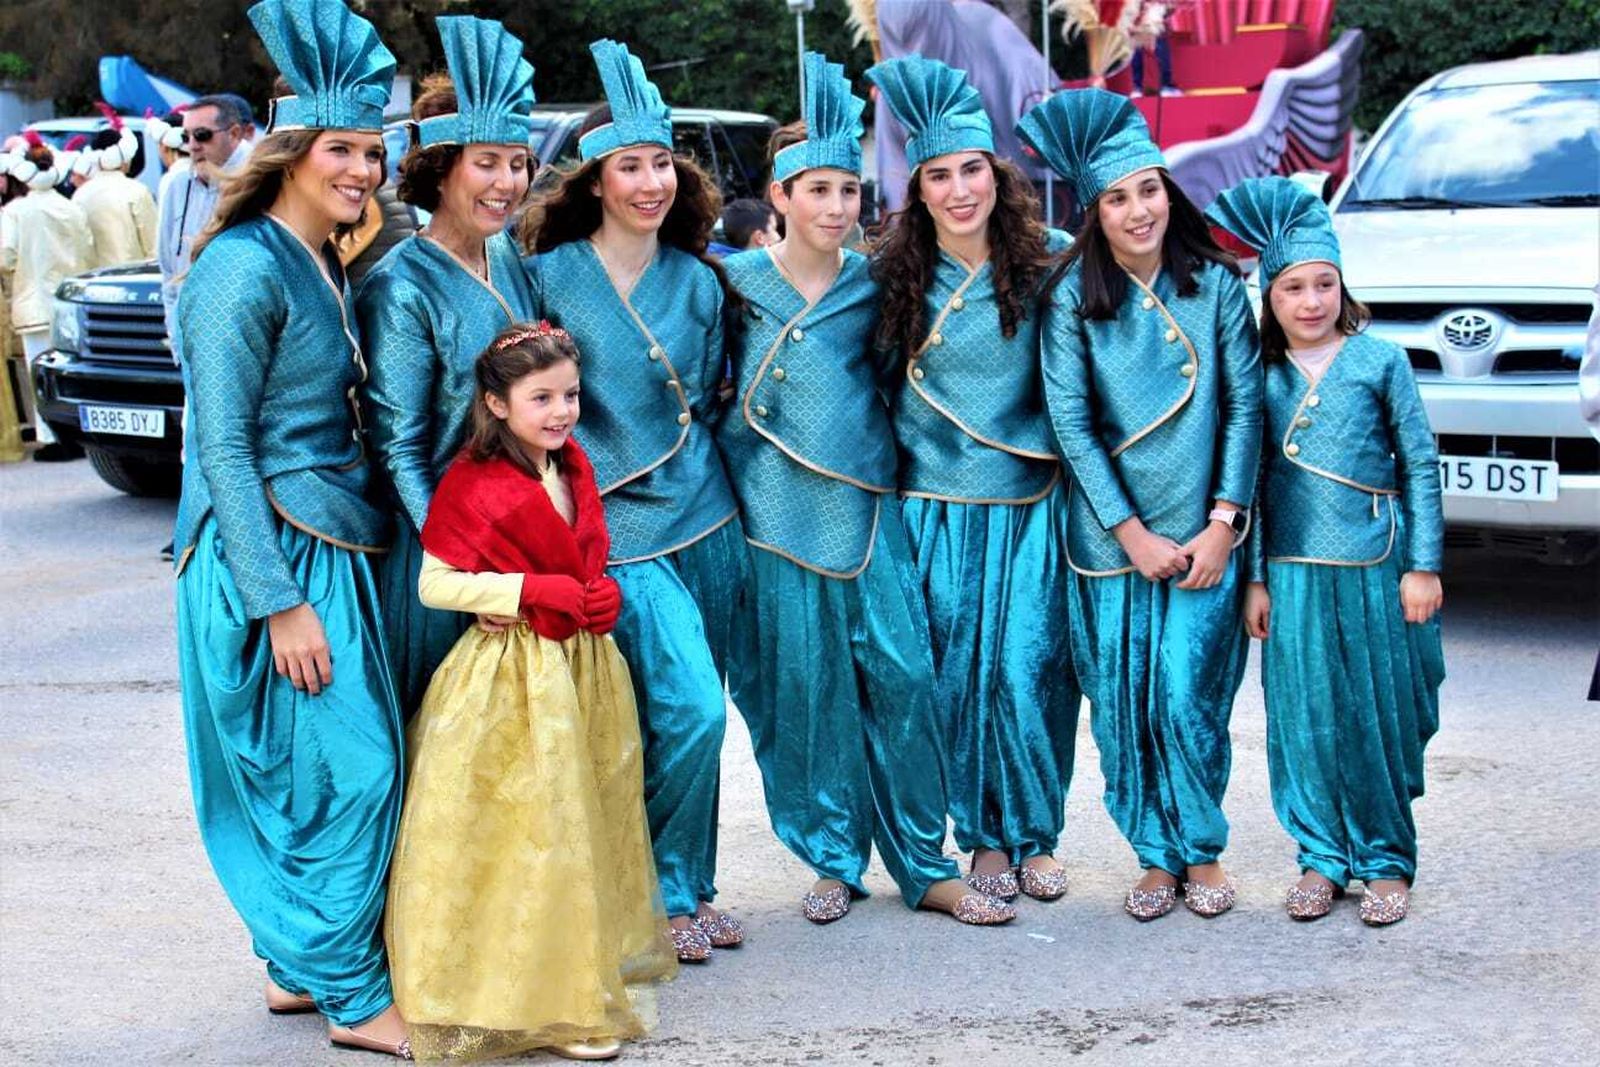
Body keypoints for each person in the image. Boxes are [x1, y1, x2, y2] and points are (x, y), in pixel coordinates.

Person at [718, 53, 1013, 928]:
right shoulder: (731, 284)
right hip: (769, 515)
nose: (836, 207)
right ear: (780, 195)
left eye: (849, 190)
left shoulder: (880, 279)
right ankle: (832, 856)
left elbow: (904, 380)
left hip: (869, 504)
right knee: (799, 692)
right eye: (817, 190)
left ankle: (924, 861)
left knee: (903, 676)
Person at [170, 0, 410, 1056]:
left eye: (372, 150)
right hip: (260, 549)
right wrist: (279, 602)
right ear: (289, 155)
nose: (361, 168)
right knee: (351, 766)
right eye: (341, 150)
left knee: (318, 761)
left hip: (331, 533)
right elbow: (219, 444)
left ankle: (294, 966)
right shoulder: (240, 265)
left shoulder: (331, 260)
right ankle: (356, 997)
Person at [386, 321, 676, 1062]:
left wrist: (595, 592)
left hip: (579, 661)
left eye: (570, 394)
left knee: (584, 819)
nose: (560, 410)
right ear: (496, 402)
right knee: (533, 831)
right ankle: (549, 1001)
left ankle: (576, 973)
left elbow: (582, 551)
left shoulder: (570, 463)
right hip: (512, 675)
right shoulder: (473, 481)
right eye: (540, 397)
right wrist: (525, 588)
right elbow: (436, 582)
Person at [519, 39, 748, 963]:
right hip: (610, 529)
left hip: (708, 519)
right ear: (596, 180)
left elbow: (722, 397)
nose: (650, 182)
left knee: (694, 712)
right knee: (678, 710)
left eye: (661, 164)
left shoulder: (702, 280)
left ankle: (683, 887)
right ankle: (643, 891)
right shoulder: (549, 273)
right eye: (629, 166)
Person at [1023, 89, 1262, 921]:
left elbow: (1241, 408)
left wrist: (1224, 525)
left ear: (1171, 191)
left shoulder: (1220, 289)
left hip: (1205, 535)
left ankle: (1200, 848)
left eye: (1149, 189)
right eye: (1117, 197)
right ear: (1094, 210)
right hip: (1109, 538)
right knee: (1123, 700)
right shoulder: (1070, 300)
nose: (1138, 210)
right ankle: (1153, 854)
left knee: (1186, 691)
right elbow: (1071, 423)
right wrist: (1128, 532)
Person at [867, 55, 1082, 904]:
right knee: (953, 680)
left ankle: (1035, 833)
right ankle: (979, 838)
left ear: (997, 175)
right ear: (917, 188)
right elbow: (868, 391)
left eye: (972, 171)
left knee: (1030, 673)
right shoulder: (890, 275)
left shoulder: (1051, 260)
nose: (960, 190)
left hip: (1030, 503)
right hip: (932, 511)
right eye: (939, 176)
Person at [1207, 177, 1445, 926]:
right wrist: (1253, 580)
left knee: (1374, 714)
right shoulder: (1262, 376)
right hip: (1291, 572)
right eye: (1292, 289)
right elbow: (1255, 482)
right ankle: (1320, 856)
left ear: (1343, 287)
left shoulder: (1382, 362)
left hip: (1376, 567)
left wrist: (1424, 564)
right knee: (1303, 718)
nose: (1310, 301)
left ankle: (1385, 858)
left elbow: (1421, 464)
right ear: (1268, 300)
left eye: (1323, 284)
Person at [357, 14, 540, 715]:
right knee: (446, 736)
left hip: (525, 533)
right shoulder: (400, 287)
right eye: (486, 163)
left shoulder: (510, 258)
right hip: (440, 552)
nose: (508, 182)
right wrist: (466, 567)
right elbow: (399, 448)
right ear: (441, 168)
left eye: (518, 162)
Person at [0, 133, 93, 459]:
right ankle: (76, 431)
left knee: (38, 372)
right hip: (66, 301)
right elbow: (87, 248)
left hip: (32, 301)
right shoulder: (70, 205)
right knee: (71, 369)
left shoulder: (15, 212)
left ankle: (51, 437)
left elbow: (4, 256)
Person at [158, 92, 252, 344]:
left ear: (234, 134)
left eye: (202, 135)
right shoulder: (178, 184)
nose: (192, 145)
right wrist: (176, 335)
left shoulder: (261, 179)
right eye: (184, 136)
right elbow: (168, 269)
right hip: (190, 345)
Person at [75, 104, 159, 268]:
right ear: (125, 157)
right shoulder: (137, 191)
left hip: (93, 281)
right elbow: (153, 244)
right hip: (131, 279)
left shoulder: (80, 195)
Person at [713, 197, 778, 255]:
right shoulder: (764, 266)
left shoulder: (716, 259)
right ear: (760, 237)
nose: (778, 237)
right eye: (774, 229)